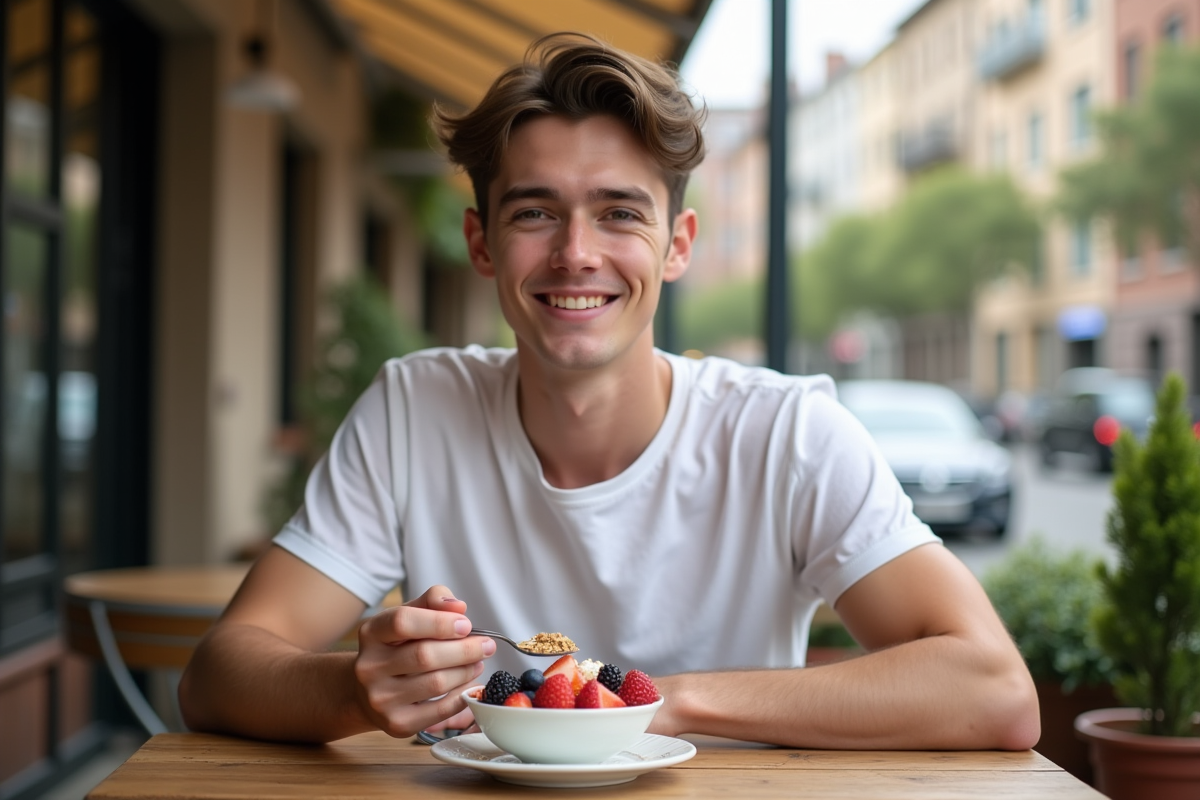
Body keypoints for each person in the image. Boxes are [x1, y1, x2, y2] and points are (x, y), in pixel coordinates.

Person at [178, 32, 1039, 750]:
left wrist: (652, 702)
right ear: (482, 244)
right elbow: (217, 675)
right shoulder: (415, 410)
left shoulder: (787, 432)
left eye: (621, 212)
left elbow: (996, 690)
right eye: (534, 212)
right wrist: (353, 692)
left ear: (677, 245)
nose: (576, 253)